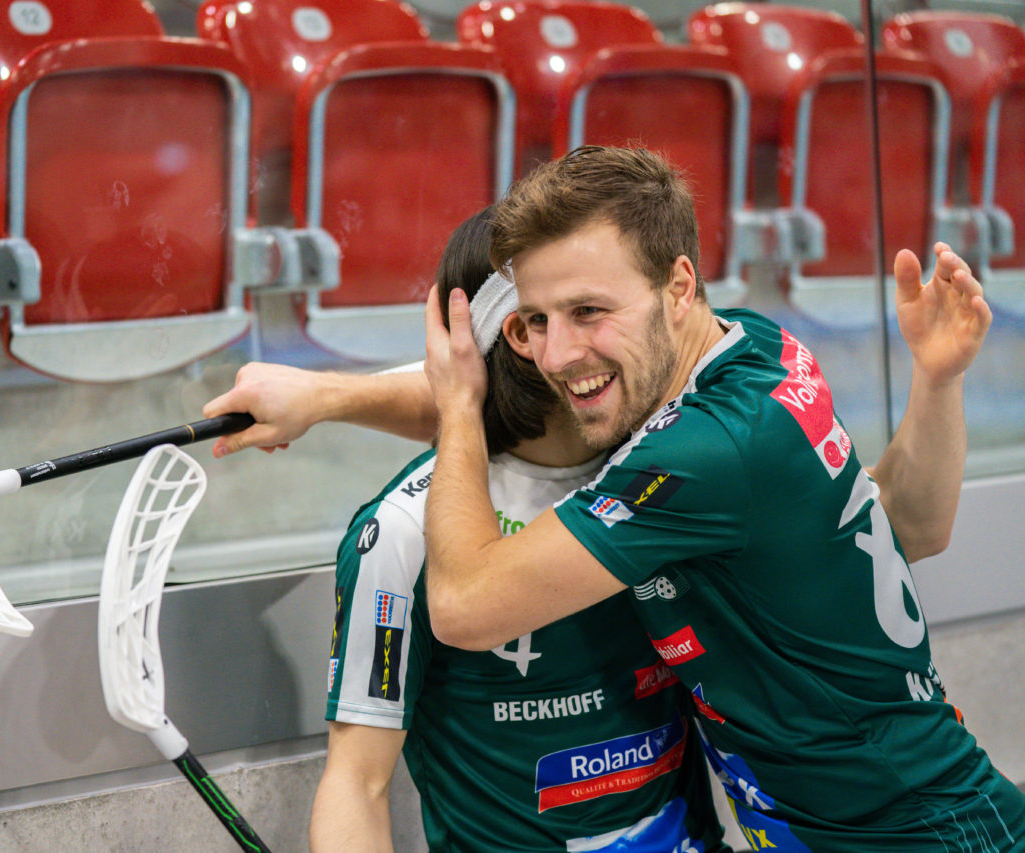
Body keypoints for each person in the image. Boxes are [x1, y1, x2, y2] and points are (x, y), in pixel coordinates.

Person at [205, 148, 1021, 851]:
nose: (560, 352)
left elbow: (466, 600)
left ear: (677, 286)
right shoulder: (749, 350)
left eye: (588, 310)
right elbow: (915, 523)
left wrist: (454, 404)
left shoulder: (694, 452)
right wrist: (322, 394)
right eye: (534, 323)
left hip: (909, 829)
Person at [310, 206, 728, 852]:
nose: (592, 334)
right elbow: (357, 783)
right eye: (551, 315)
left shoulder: (669, 463)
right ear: (516, 337)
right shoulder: (399, 531)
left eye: (589, 308)